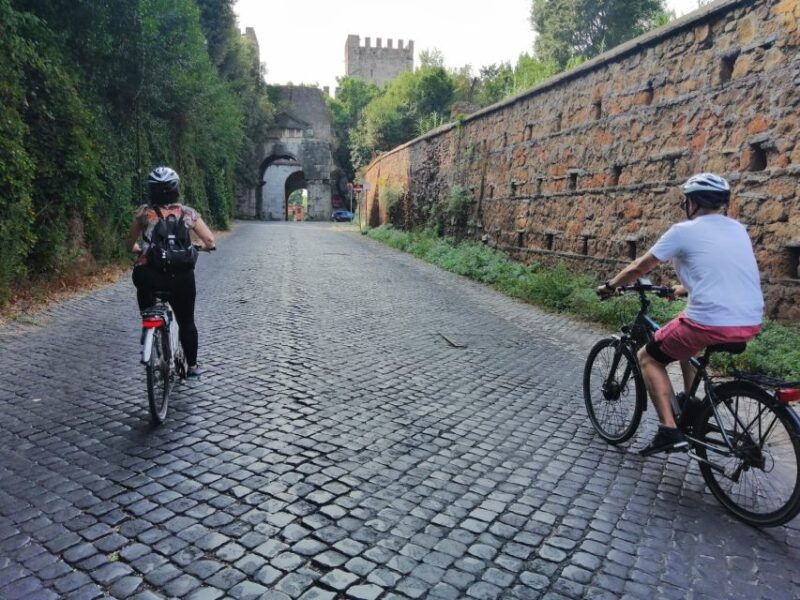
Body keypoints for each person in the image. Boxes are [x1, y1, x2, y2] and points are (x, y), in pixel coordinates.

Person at [597, 173, 764, 456]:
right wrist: (683, 289)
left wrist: (612, 285)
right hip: (748, 320)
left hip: (711, 321)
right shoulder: (738, 229)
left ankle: (668, 430)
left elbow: (641, 266)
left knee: (647, 356)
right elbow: (718, 272)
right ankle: (691, 402)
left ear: (693, 202)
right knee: (685, 341)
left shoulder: (683, 231)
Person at [126, 166, 216, 378]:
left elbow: (129, 243)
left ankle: (148, 321)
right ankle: (192, 366)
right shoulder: (188, 213)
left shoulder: (143, 214)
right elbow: (210, 240)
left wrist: (138, 249)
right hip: (181, 278)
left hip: (150, 275)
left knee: (142, 282)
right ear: (176, 189)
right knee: (186, 321)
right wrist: (202, 248)